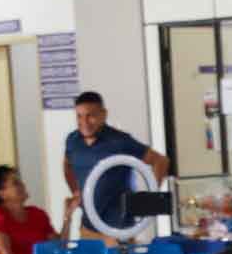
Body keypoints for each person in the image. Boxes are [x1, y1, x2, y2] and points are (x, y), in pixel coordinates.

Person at [59, 91, 168, 240]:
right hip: (88, 227)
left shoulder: (120, 141)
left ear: (103, 114)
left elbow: (160, 161)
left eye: (90, 116)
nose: (84, 122)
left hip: (118, 230)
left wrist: (150, 200)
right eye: (79, 116)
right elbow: (67, 166)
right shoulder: (72, 140)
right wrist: (76, 191)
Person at [0, 164, 55, 254]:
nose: (22, 185)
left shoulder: (38, 214)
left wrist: (68, 217)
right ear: (2, 194)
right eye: (16, 183)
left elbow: (57, 247)